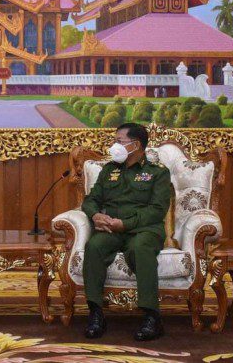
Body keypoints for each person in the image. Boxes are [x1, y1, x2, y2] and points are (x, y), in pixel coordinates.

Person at [81, 123, 171, 341]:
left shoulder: (158, 172)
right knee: (94, 246)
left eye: (119, 141)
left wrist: (125, 224)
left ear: (136, 145)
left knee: (140, 248)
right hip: (111, 229)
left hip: (144, 229)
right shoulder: (109, 170)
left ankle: (151, 316)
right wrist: (95, 215)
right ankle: (96, 313)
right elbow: (91, 200)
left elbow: (157, 211)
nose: (114, 145)